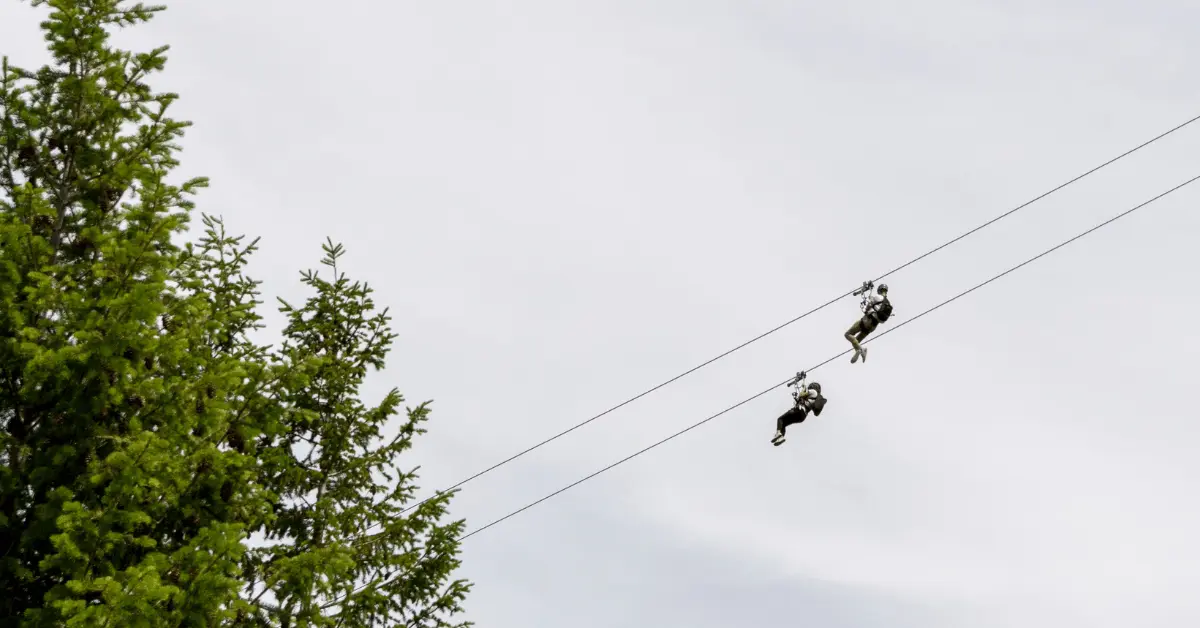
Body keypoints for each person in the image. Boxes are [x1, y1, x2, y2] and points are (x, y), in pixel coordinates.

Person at [771, 372, 827, 446]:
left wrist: (801, 387)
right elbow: (800, 398)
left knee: (780, 419)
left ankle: (778, 433)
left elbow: (803, 393)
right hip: (802, 416)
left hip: (799, 410)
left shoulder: (813, 392)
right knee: (783, 423)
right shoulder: (813, 397)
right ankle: (780, 437)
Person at [844, 281, 892, 364]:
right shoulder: (887, 303)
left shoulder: (877, 297)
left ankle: (861, 349)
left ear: (879, 290)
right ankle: (860, 350)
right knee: (856, 342)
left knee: (848, 334)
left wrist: (867, 308)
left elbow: (868, 306)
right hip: (873, 326)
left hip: (867, 320)